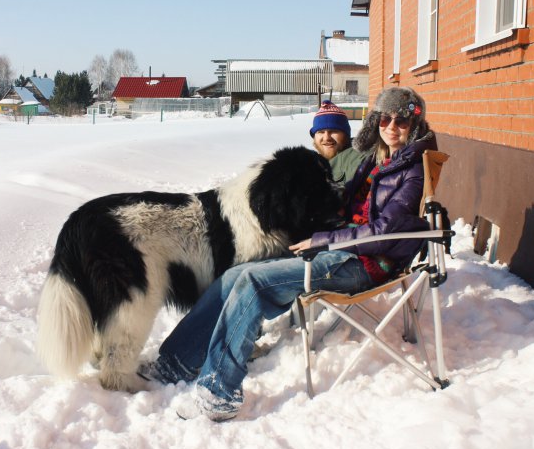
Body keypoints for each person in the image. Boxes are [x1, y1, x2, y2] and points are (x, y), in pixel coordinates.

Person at [138, 86, 437, 421]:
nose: (392, 126)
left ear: (414, 125)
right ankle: (175, 362)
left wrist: (323, 239)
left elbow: (385, 232)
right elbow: (349, 206)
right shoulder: (376, 161)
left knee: (253, 282)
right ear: (376, 122)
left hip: (366, 262)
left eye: (401, 120)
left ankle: (218, 392)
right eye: (386, 118)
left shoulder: (410, 170)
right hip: (344, 250)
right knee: (235, 274)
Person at [310, 100, 365, 184]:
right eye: (321, 132)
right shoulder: (310, 163)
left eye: (333, 131)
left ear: (346, 135)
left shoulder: (356, 158)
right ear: (314, 137)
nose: (326, 138)